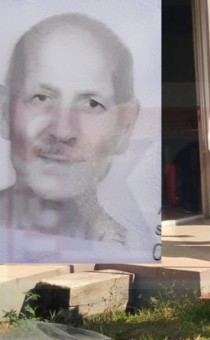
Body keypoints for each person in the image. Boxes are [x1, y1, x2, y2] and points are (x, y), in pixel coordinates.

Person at [0, 13, 140, 258]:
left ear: (124, 127)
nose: (62, 131)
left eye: (92, 104)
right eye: (41, 98)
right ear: (4, 112)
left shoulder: (131, 249)